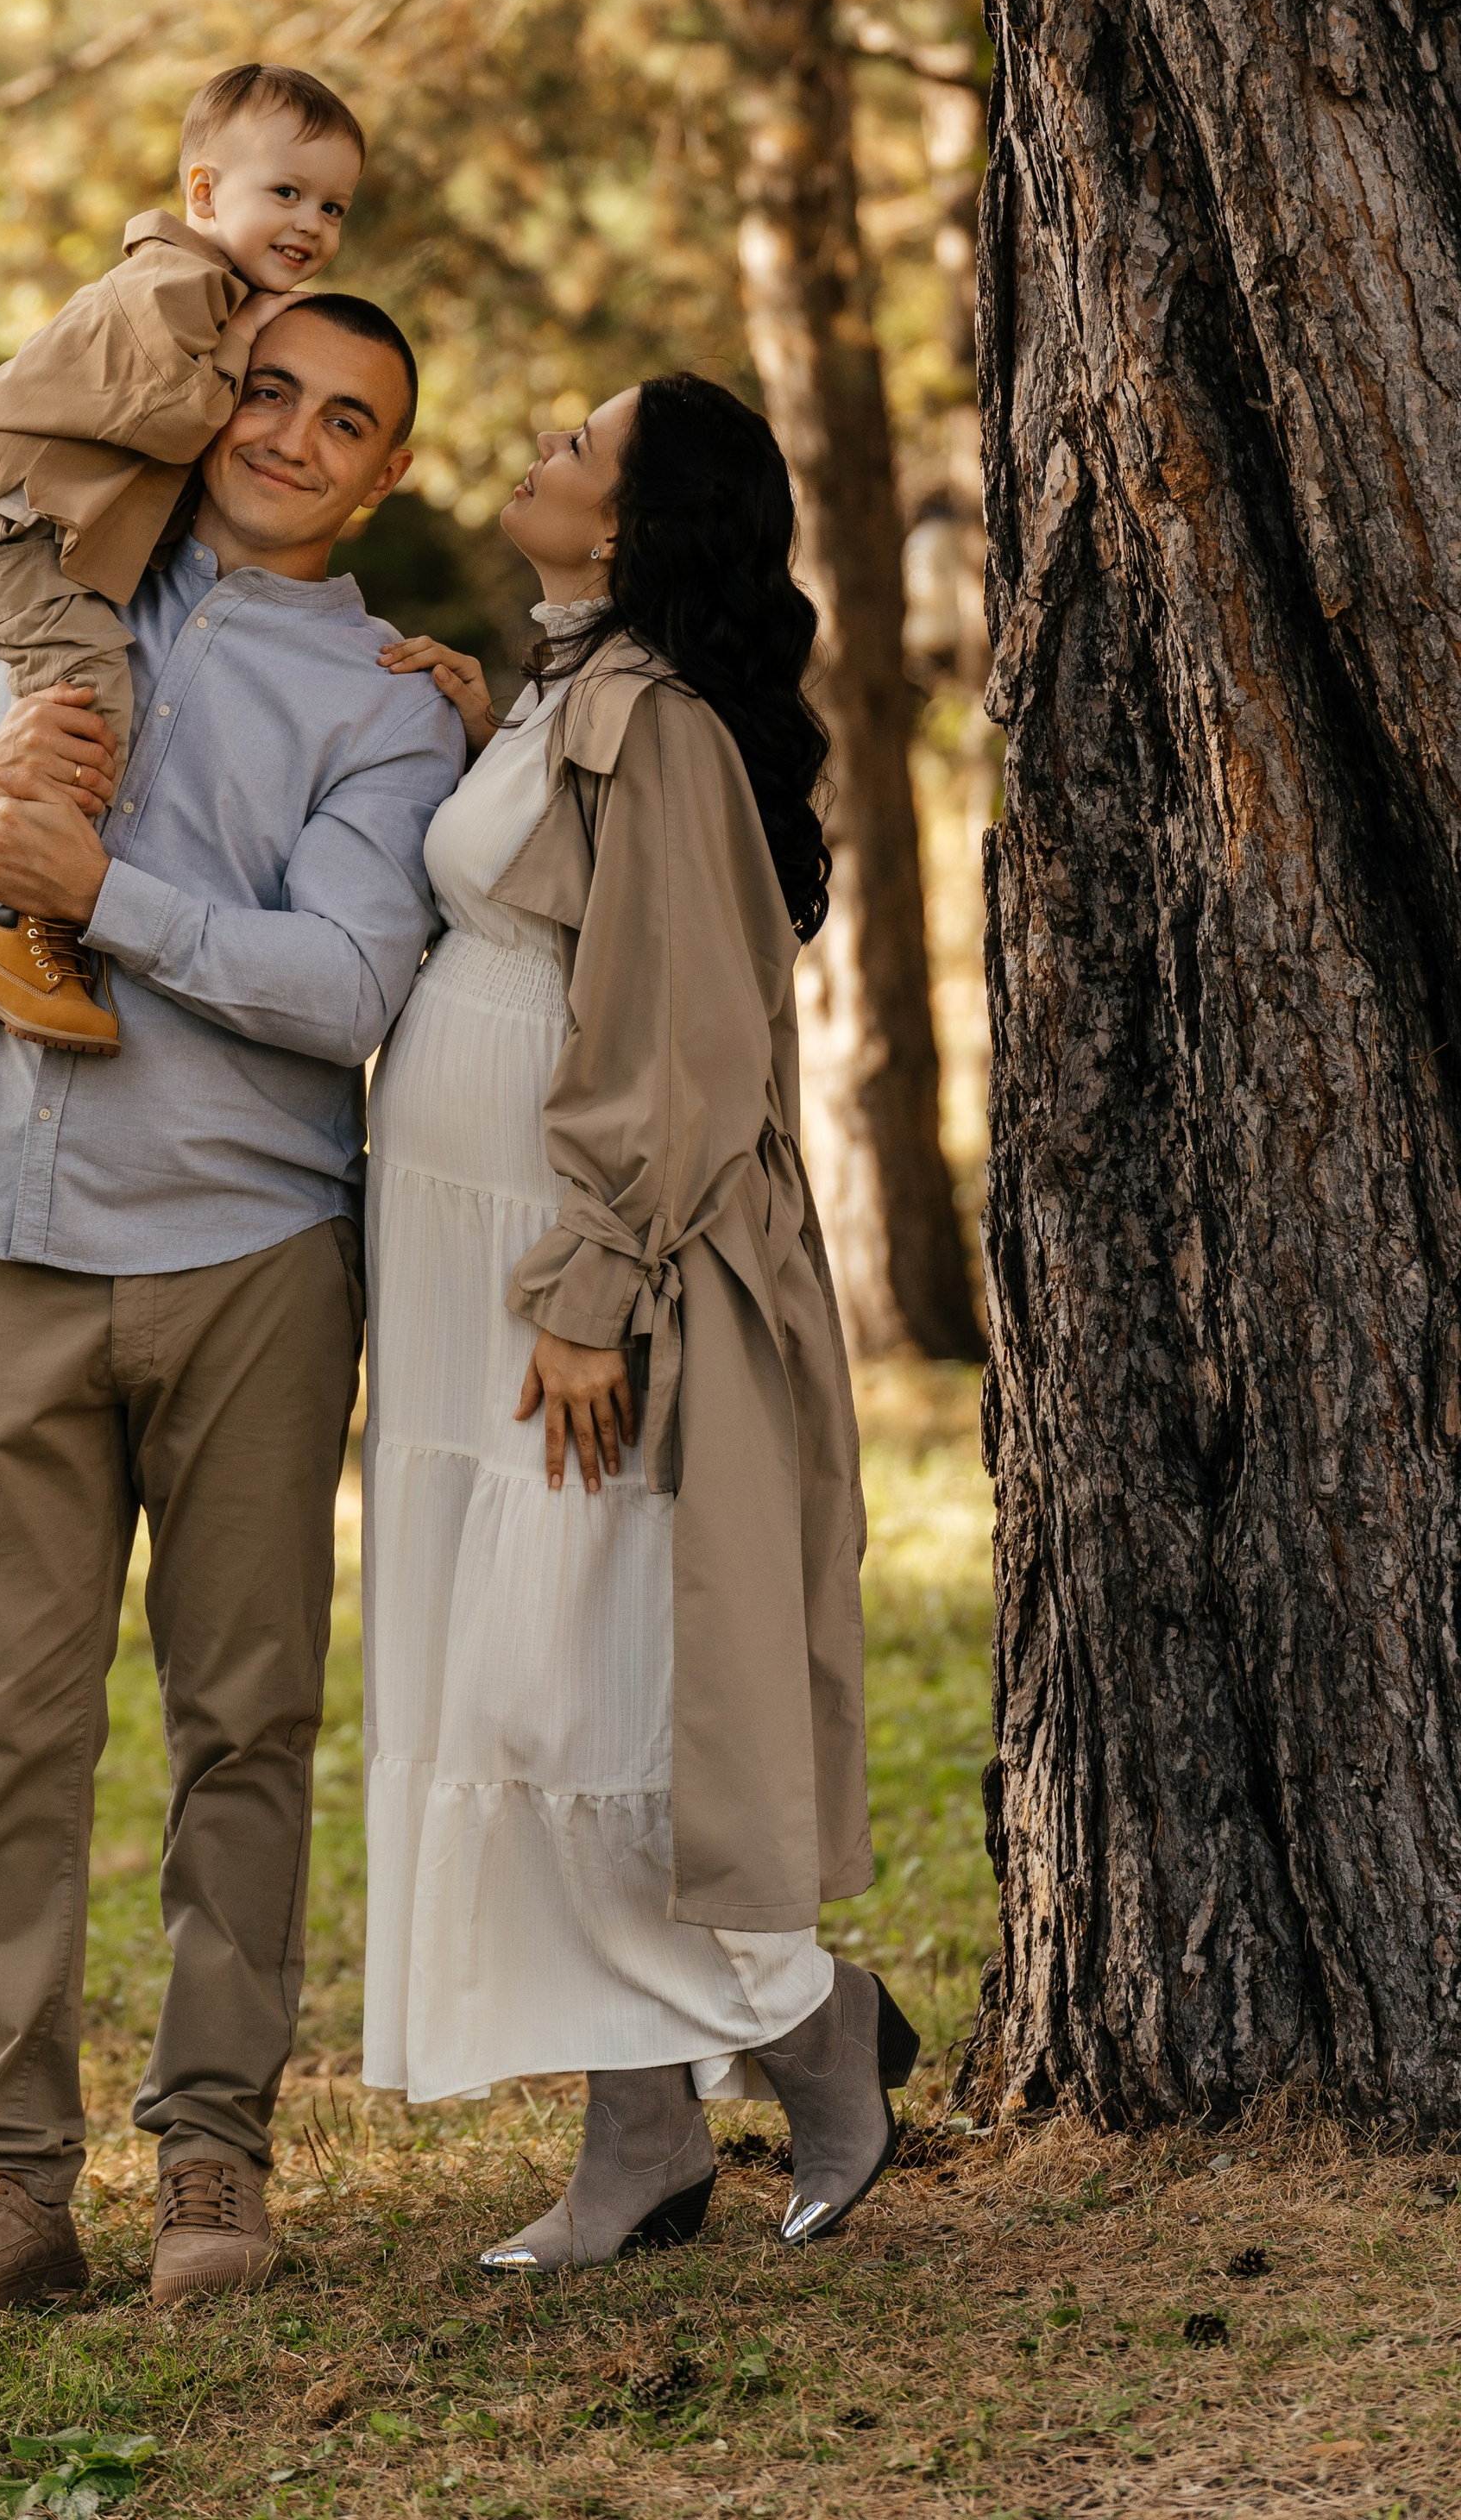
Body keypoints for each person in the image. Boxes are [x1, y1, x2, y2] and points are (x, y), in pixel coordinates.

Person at [0, 297, 464, 2319]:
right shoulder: (41, 604)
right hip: (9, 1257)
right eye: (268, 390)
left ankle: (211, 2158)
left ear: (382, 474)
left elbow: (345, 984)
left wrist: (107, 897)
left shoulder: (382, 702)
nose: (289, 435)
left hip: (253, 1263)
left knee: (242, 1727)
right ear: (210, 398)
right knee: (3, 1741)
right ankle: (4, 2190)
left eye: (342, 420)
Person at [364, 373, 915, 2270]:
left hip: (575, 1262)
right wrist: (486, 735)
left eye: (577, 445)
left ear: (630, 520)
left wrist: (591, 1292)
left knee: (570, 1688)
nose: (540, 450)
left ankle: (816, 2031)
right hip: (470, 1270)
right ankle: (642, 2146)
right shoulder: (572, 694)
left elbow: (685, 1039)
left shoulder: (656, 723)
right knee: (525, 1684)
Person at [0, 63, 366, 1053]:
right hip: (11, 513)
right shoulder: (174, 286)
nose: (310, 224)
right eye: (286, 192)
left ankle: (34, 932)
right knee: (83, 699)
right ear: (204, 192)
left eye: (332, 207)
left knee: (87, 683)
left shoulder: (209, 290)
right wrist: (246, 343)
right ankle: (31, 937)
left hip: (44, 514)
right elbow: (171, 422)